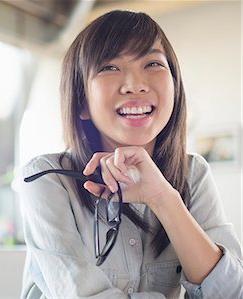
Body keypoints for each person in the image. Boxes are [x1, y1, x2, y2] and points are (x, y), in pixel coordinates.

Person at [19, 10, 243, 299]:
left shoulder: (193, 174)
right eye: (109, 67)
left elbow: (232, 292)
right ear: (81, 102)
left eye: (152, 63)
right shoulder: (45, 178)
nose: (135, 85)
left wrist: (163, 198)